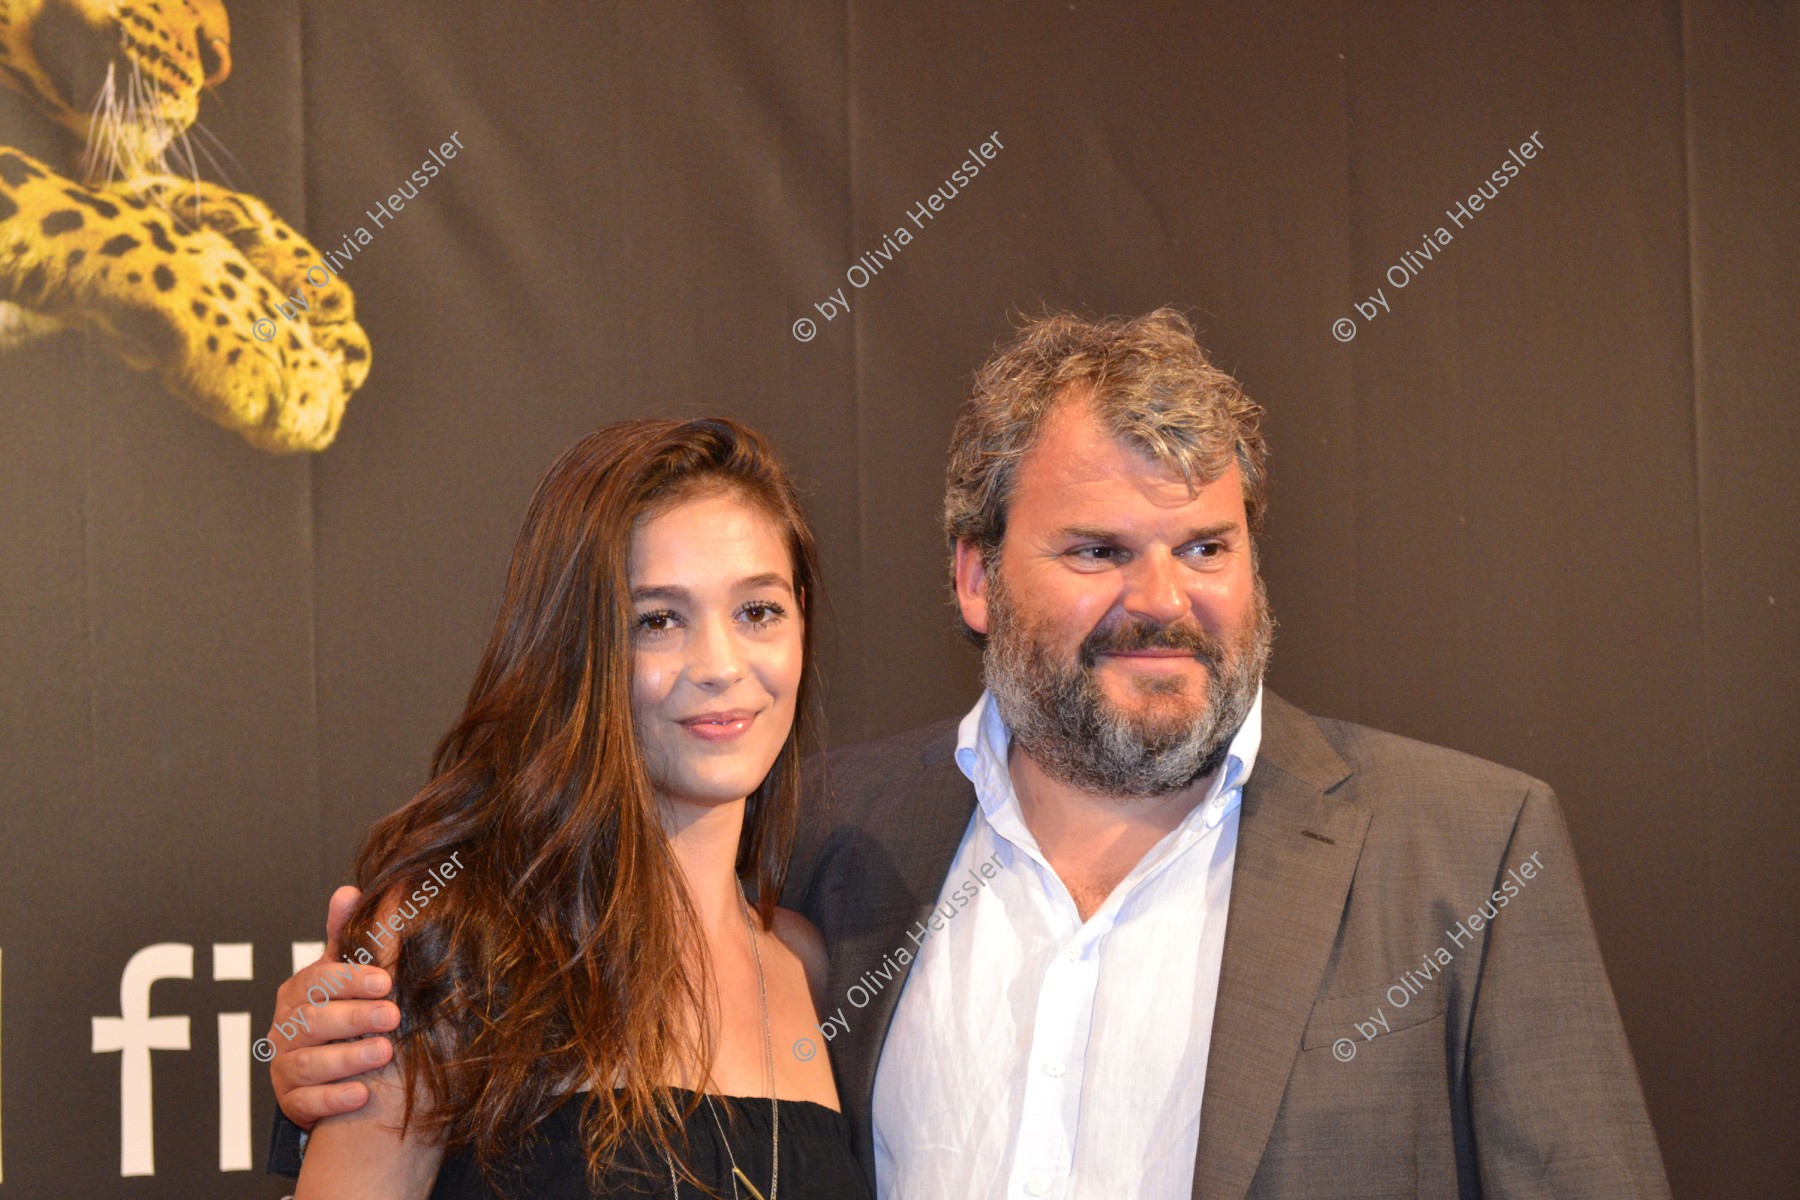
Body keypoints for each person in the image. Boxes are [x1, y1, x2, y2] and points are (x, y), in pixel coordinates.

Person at [269, 311, 1672, 1199]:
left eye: (1205, 547)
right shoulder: (840, 848)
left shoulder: (1462, 855)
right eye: (1097, 551)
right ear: (975, 578)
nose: (1161, 600)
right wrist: (329, 1052)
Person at [281, 416, 869, 1198]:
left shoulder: (808, 966)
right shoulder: (457, 945)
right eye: (657, 621)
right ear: (578, 649)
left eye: (757, 611)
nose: (721, 666)